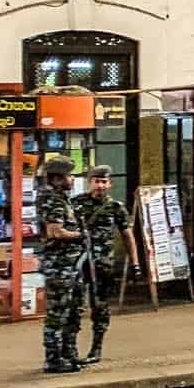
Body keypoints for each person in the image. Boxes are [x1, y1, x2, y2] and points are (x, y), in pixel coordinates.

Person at [72, 166, 135, 364]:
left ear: (109, 184)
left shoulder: (115, 207)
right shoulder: (76, 204)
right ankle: (70, 350)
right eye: (96, 181)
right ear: (89, 182)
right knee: (74, 307)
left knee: (100, 308)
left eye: (103, 182)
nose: (100, 185)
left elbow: (127, 235)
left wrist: (135, 262)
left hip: (103, 265)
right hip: (78, 263)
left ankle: (96, 348)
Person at [35, 156, 87, 373]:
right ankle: (54, 358)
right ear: (57, 179)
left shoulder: (61, 198)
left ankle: (69, 353)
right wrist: (81, 235)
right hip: (59, 266)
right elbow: (54, 231)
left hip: (71, 264)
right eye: (69, 175)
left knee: (74, 310)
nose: (72, 179)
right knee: (58, 313)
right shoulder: (52, 199)